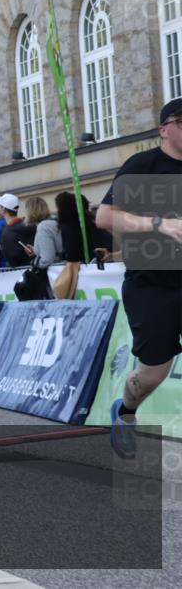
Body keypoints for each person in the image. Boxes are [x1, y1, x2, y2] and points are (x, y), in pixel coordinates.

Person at [97, 98, 182, 459]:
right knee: (153, 373)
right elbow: (104, 217)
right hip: (152, 284)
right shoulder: (143, 165)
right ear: (163, 128)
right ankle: (126, 412)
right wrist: (158, 224)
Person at [56, 191, 112, 262]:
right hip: (102, 261)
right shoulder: (91, 221)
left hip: (89, 265)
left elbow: (72, 254)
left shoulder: (70, 226)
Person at [0, 193, 35, 268]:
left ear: (4, 209)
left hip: (21, 275)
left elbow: (13, 261)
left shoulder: (8, 232)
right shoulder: (29, 226)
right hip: (36, 269)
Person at [26, 196, 62, 266]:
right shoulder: (54, 221)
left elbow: (47, 259)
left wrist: (34, 263)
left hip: (58, 272)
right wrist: (36, 250)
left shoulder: (43, 226)